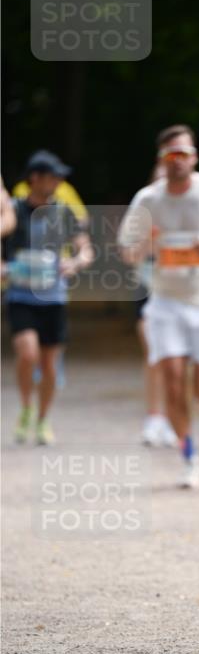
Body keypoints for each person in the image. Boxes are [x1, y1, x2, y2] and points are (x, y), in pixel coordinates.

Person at [118, 125, 199, 488]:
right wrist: (143, 247)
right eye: (170, 155)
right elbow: (127, 250)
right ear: (162, 159)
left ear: (194, 157)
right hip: (165, 303)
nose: (177, 161)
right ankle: (188, 455)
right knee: (173, 379)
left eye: (183, 154)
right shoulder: (148, 199)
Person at [3, 151, 93, 444]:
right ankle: (27, 407)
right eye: (52, 176)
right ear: (34, 178)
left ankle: (42, 419)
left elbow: (85, 249)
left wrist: (76, 262)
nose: (58, 181)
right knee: (27, 354)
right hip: (20, 296)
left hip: (53, 298)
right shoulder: (12, 211)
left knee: (50, 367)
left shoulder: (64, 212)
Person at [133, 161, 178, 448]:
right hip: (150, 291)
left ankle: (174, 419)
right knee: (153, 354)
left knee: (176, 360)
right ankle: (154, 417)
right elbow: (129, 252)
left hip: (183, 293)